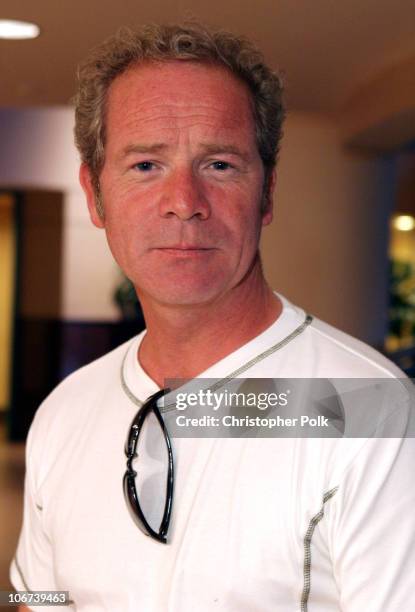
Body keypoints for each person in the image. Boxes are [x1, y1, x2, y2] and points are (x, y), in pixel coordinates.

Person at [11, 22, 415, 612]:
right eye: (146, 164)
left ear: (268, 193)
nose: (185, 202)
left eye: (220, 165)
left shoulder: (366, 408)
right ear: (95, 195)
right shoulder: (66, 410)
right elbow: (38, 598)